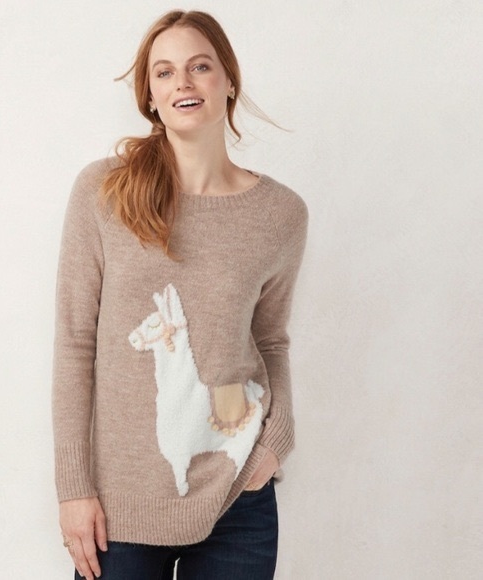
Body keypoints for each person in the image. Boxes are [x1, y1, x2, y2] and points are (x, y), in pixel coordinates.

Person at [52, 9, 308, 580]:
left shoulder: (280, 213)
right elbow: (74, 343)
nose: (183, 83)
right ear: (150, 95)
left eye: (200, 67)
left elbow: (270, 340)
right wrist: (73, 489)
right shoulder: (104, 191)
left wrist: (276, 441)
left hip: (238, 497)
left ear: (228, 80)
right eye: (164, 72)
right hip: (120, 506)